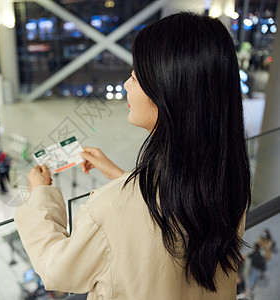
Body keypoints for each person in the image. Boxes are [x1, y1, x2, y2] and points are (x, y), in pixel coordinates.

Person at [15, 12, 251, 299]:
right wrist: (119, 175)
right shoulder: (227, 179)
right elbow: (172, 206)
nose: (126, 85)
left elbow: (57, 272)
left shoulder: (111, 207)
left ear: (167, 93)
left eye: (136, 77)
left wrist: (40, 195)